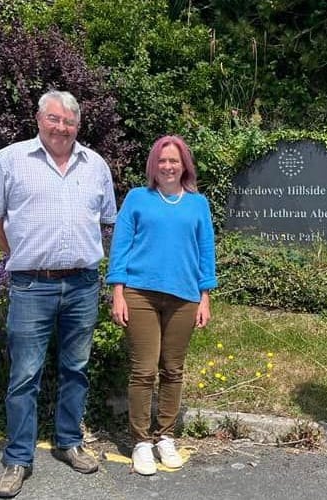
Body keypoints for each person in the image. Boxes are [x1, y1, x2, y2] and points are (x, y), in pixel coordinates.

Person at [0, 90, 117, 498]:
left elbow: (107, 219)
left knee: (76, 367)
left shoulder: (96, 165)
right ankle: (18, 458)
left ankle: (68, 441)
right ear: (39, 118)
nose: (61, 127)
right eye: (54, 119)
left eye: (69, 121)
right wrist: (18, 255)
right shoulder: (9, 160)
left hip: (82, 283)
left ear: (78, 124)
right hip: (30, 285)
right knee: (24, 376)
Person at [106, 135, 217, 476]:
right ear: (154, 165)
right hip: (141, 295)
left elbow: (205, 252)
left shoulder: (199, 204)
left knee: (173, 369)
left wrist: (205, 296)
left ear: (184, 165)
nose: (168, 166)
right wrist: (118, 292)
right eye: (162, 161)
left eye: (175, 161)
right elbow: (120, 246)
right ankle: (141, 441)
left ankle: (164, 436)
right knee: (144, 371)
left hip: (184, 297)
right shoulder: (138, 199)